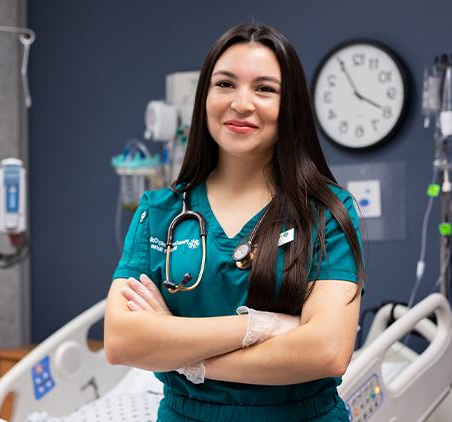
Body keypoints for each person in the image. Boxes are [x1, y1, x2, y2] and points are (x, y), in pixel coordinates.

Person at [104, 23, 364, 422]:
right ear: (204, 97)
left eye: (264, 89)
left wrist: (190, 360)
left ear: (290, 104)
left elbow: (326, 352)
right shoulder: (159, 212)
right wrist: (259, 327)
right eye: (225, 84)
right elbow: (121, 342)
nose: (241, 103)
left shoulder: (326, 212)